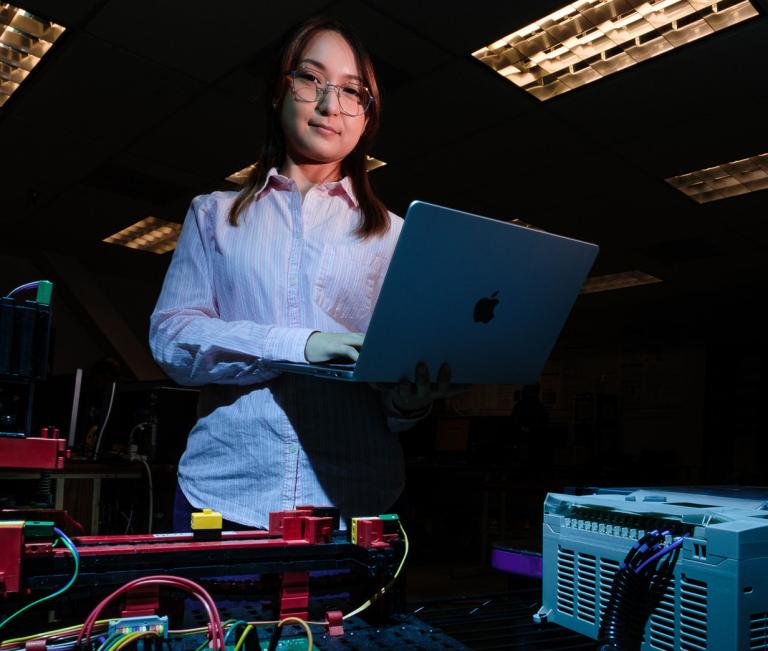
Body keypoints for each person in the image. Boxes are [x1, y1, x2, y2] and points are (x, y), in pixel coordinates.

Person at [149, 16, 453, 531]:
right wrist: (300, 345)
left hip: (358, 504)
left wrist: (410, 401)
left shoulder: (398, 236)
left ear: (367, 117)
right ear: (279, 91)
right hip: (224, 500)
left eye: (354, 92)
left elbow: (392, 399)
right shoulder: (213, 215)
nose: (331, 104)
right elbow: (172, 339)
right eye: (312, 79)